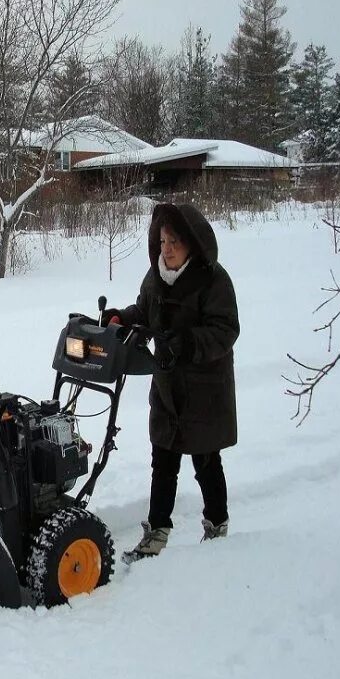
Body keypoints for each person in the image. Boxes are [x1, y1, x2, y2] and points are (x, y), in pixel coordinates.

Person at [104, 202, 239, 562]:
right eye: (163, 240)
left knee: (205, 460)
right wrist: (120, 317)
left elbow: (225, 331)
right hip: (167, 386)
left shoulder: (213, 280)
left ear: (192, 243)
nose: (167, 248)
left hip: (204, 389)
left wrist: (188, 342)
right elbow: (143, 313)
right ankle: (157, 531)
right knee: (163, 459)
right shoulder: (155, 277)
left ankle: (217, 524)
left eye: (175, 241)